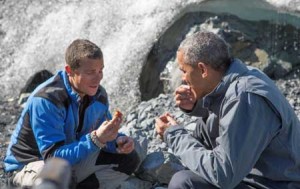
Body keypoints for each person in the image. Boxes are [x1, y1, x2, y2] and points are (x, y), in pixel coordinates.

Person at [155, 31, 300, 189]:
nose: (183, 78)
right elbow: (230, 119)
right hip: (257, 176)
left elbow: (222, 175)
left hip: (277, 185)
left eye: (184, 71)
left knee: (184, 183)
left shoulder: (244, 96)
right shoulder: (241, 77)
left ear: (203, 70)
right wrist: (197, 107)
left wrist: (174, 135)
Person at [4, 39, 140, 189]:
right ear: (69, 71)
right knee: (61, 172)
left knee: (129, 158)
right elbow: (53, 158)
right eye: (90, 72)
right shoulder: (47, 100)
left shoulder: (98, 95)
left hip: (69, 159)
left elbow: (103, 137)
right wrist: (96, 139)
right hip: (28, 166)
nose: (99, 77)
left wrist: (117, 142)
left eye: (101, 70)